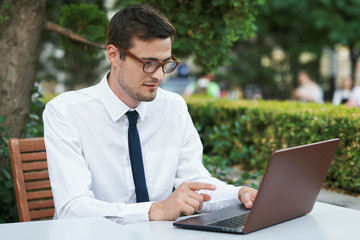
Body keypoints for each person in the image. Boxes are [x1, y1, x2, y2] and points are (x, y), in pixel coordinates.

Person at [43, 4, 257, 224]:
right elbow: (72, 208)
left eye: (165, 64)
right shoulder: (66, 112)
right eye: (148, 64)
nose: (159, 76)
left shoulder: (173, 107)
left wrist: (240, 194)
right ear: (114, 55)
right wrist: (154, 211)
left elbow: (196, 182)